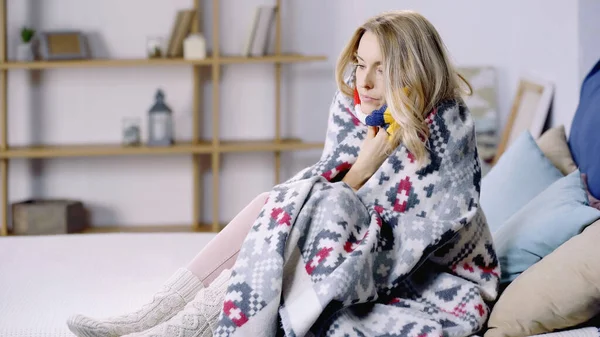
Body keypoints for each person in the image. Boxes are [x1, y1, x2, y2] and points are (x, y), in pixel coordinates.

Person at [68, 10, 499, 337]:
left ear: (413, 72)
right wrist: (361, 168)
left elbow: (408, 232)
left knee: (295, 211)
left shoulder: (448, 130)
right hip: (355, 243)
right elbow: (326, 196)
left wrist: (364, 168)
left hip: (428, 274)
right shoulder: (357, 111)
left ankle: (184, 324)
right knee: (282, 205)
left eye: (381, 68)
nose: (363, 82)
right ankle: (160, 313)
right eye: (359, 64)